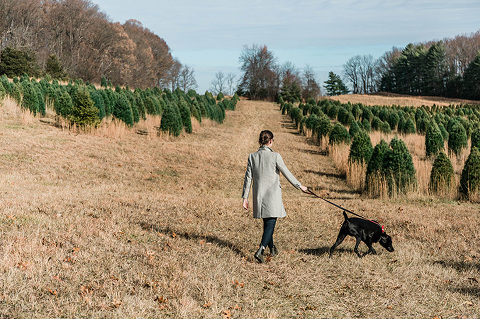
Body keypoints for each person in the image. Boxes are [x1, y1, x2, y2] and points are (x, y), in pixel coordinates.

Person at [242, 130, 308, 263]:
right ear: (270, 141)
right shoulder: (275, 156)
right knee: (271, 222)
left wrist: (245, 197)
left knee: (267, 222)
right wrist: (300, 186)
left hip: (259, 196)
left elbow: (248, 178)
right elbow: (286, 172)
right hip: (272, 196)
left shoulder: (252, 156)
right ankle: (261, 250)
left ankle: (272, 248)